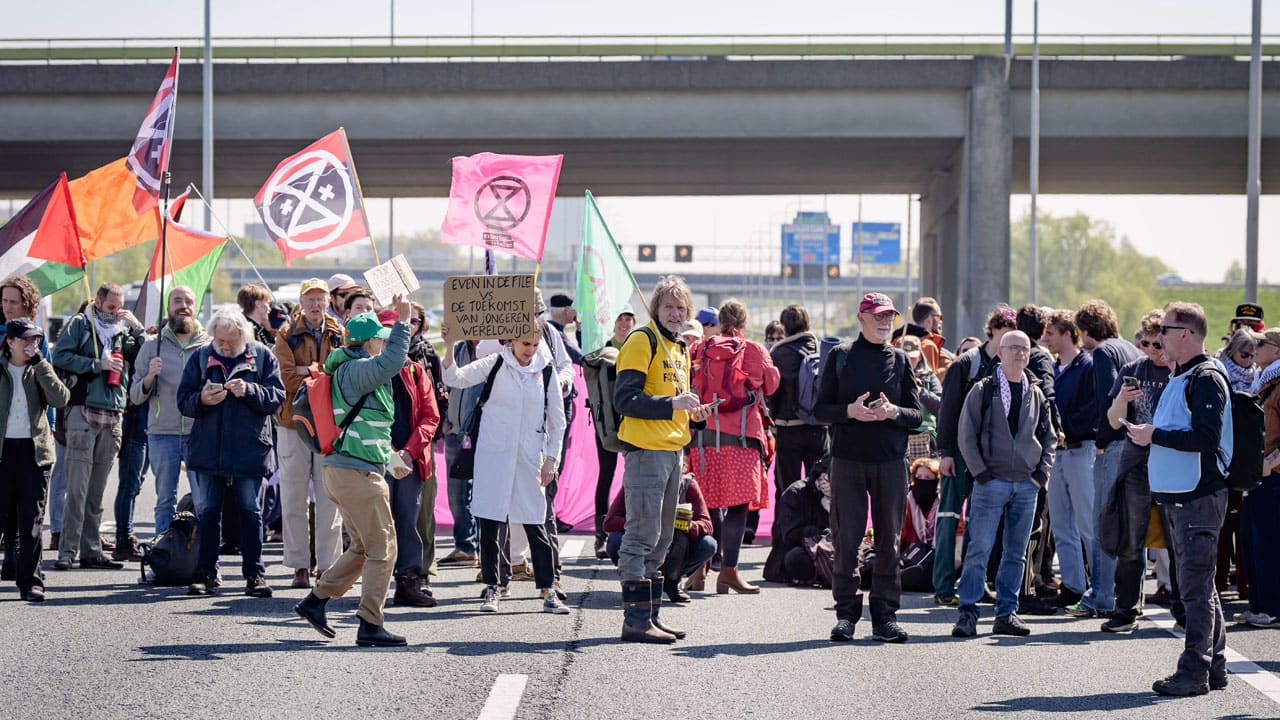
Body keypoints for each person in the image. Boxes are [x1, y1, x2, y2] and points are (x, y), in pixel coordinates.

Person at [294, 301, 415, 647]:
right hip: (356, 474)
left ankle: (315, 602)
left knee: (364, 547)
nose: (383, 343)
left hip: (347, 470)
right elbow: (393, 361)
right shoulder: (356, 369)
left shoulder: (350, 369)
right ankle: (369, 623)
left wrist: (390, 459)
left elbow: (366, 427)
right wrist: (404, 321)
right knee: (384, 549)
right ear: (369, 343)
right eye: (380, 339)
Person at [1126, 302, 1231, 697]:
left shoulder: (1204, 377)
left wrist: (1155, 435)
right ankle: (1213, 667)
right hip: (1183, 495)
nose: (1158, 336)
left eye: (1165, 329)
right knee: (1200, 586)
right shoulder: (1184, 376)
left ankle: (1194, 672)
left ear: (1185, 334)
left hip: (1198, 495)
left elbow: (1205, 437)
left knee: (1195, 590)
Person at [441, 319, 568, 616]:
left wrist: (551, 459)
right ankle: (493, 587)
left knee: (536, 523)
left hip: (529, 459)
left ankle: (548, 589)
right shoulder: (495, 363)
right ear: (511, 340)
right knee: (491, 523)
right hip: (493, 456)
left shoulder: (546, 370)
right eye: (525, 344)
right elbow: (455, 378)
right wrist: (448, 345)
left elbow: (557, 421)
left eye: (535, 345)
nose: (530, 350)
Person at [816, 292, 922, 643]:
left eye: (889, 316)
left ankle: (885, 615)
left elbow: (918, 416)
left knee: (890, 541)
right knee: (847, 539)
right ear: (861, 318)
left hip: (890, 461)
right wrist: (850, 411)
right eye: (877, 316)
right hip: (847, 459)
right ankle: (846, 612)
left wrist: (893, 413)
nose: (884, 322)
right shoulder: (841, 356)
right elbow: (819, 410)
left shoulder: (902, 360)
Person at [613, 275, 713, 643]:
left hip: (673, 451)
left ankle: (649, 616)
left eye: (681, 308)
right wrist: (672, 404)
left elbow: (677, 402)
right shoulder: (643, 340)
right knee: (641, 534)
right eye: (669, 307)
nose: (675, 313)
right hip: (646, 452)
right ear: (656, 309)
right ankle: (635, 622)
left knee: (663, 538)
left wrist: (692, 413)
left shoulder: (679, 348)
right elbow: (624, 399)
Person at [951, 331, 1056, 638]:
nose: (1021, 354)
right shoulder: (983, 390)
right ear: (1000, 351)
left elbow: (1049, 436)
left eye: (1026, 349)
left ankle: (1006, 613)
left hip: (1026, 484)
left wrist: (1041, 475)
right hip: (990, 481)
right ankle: (968, 612)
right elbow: (965, 434)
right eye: (1014, 348)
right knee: (979, 549)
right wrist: (980, 473)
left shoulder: (1034, 392)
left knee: (1016, 553)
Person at [176, 307, 283, 598]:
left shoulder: (261, 356)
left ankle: (254, 574)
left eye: (230, 342)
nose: (223, 346)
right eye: (219, 340)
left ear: (243, 337)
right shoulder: (200, 356)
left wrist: (250, 391)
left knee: (251, 511)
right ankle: (206, 573)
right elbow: (183, 400)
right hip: (209, 448)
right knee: (209, 512)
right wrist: (201, 399)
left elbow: (277, 398)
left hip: (250, 448)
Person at [50, 282, 146, 571]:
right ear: (98, 302)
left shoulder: (122, 331)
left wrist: (137, 329)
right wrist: (96, 365)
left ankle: (91, 550)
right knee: (77, 489)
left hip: (114, 414)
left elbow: (143, 356)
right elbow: (60, 357)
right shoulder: (81, 324)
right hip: (83, 411)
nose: (116, 313)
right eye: (111, 307)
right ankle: (67, 551)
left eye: (120, 307)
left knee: (96, 491)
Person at [688, 299, 779, 595]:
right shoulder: (752, 350)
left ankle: (700, 571)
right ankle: (729, 572)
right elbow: (772, 385)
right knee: (739, 507)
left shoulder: (699, 349)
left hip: (702, 440)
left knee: (707, 505)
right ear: (743, 323)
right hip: (741, 440)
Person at [932, 306, 1017, 606]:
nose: (1009, 341)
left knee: (981, 522)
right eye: (1004, 331)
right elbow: (947, 411)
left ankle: (973, 584)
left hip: (990, 456)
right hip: (959, 451)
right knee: (949, 517)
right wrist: (945, 453)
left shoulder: (1010, 367)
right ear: (992, 330)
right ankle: (943, 586)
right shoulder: (967, 363)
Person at [1100, 310, 1173, 633]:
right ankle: (1126, 608)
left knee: (1176, 537)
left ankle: (1184, 607)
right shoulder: (1133, 370)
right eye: (1144, 342)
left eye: (1157, 343)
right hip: (1136, 461)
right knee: (1131, 538)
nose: (1150, 349)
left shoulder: (1182, 372)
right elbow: (1114, 421)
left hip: (1174, 462)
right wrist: (1121, 399)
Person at [1072, 299, 1142, 618]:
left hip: (1114, 444)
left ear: (1086, 329)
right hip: (1138, 444)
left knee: (1105, 520)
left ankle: (1100, 594)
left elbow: (1106, 398)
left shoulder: (1102, 352)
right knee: (1130, 524)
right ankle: (1129, 597)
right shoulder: (1130, 348)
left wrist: (1101, 440)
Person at [273, 278, 345, 589]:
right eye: (310, 299)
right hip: (293, 422)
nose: (315, 305)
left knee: (331, 497)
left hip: (329, 423)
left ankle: (327, 566)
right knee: (293, 496)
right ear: (301, 303)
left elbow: (344, 375)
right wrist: (320, 372)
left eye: (320, 299)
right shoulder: (286, 334)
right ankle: (299, 565)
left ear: (329, 301)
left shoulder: (340, 332)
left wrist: (309, 370)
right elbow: (286, 378)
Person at [369, 309, 441, 607]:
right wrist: (388, 452)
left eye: (394, 335)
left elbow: (430, 416)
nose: (390, 342)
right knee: (377, 524)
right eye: (384, 336)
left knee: (408, 520)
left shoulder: (415, 370)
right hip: (375, 457)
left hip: (409, 461)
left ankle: (408, 581)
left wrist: (407, 453)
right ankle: (374, 587)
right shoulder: (368, 370)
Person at [128, 286, 209, 539]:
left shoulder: (208, 346)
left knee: (204, 502)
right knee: (165, 501)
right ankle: (163, 555)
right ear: (168, 308)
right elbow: (135, 395)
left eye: (188, 301)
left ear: (196, 307)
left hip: (199, 433)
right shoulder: (153, 346)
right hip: (162, 434)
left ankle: (205, 562)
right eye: (177, 301)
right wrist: (150, 376)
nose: (183, 305)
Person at [0, 318, 70, 602]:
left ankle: (31, 583)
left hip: (34, 452)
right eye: (27, 340)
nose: (33, 345)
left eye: (37, 340)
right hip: (3, 452)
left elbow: (61, 399)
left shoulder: (39, 367)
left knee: (31, 521)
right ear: (11, 342)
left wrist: (42, 363)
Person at [1040, 309, 1096, 609]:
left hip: (1080, 449)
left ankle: (1099, 588)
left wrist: (1063, 428)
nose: (1045, 338)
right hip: (1057, 455)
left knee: (1088, 524)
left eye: (1050, 333)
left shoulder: (1087, 366)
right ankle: (1073, 587)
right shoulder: (1051, 368)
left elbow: (1091, 409)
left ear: (1067, 333)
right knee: (1062, 525)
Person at [603, 473, 716, 603]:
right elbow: (609, 522)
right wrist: (642, 522)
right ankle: (633, 580)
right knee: (615, 540)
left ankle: (672, 580)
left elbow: (707, 524)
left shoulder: (687, 485)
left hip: (676, 548)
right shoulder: (637, 482)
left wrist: (685, 524)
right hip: (641, 542)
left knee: (708, 545)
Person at [582, 306, 637, 559]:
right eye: (621, 318)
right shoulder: (603, 348)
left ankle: (630, 531)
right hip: (608, 424)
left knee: (636, 477)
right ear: (613, 323)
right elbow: (587, 365)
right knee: (606, 475)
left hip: (636, 422)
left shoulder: (640, 345)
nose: (625, 323)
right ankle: (601, 537)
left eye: (629, 318)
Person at [768, 304, 829, 503]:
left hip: (788, 428)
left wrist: (772, 423)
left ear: (784, 327)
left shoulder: (778, 354)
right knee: (820, 485)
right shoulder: (822, 349)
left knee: (787, 487)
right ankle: (820, 531)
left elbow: (773, 393)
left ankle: (787, 532)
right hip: (818, 428)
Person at [1240, 327, 1280, 628]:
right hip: (1258, 475)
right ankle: (1259, 604)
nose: (1256, 347)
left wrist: (1270, 463)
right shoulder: (1263, 381)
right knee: (1253, 544)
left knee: (1268, 543)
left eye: (1262, 343)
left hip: (1273, 475)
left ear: (1277, 351)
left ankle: (1271, 608)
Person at [406, 302, 447, 582]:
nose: (410, 325)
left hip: (424, 438)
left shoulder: (427, 353)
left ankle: (426, 562)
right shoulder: (384, 352)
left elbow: (440, 395)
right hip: (395, 439)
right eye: (404, 319)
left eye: (415, 320)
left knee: (426, 501)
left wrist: (438, 433)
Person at [438, 333, 481, 568]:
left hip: (483, 435)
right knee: (457, 497)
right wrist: (446, 419)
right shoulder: (458, 349)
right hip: (455, 433)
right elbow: (449, 383)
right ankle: (465, 547)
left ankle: (488, 553)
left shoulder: (498, 350)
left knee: (484, 497)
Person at [762, 456, 831, 586]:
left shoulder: (843, 495)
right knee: (797, 558)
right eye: (825, 479)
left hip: (833, 551)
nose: (828, 485)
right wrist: (818, 532)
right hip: (802, 550)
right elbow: (789, 536)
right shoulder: (796, 493)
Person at [901, 458, 940, 546]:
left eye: (927, 477)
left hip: (940, 551)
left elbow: (959, 530)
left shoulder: (945, 503)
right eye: (919, 477)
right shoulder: (907, 502)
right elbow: (900, 531)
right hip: (912, 551)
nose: (922, 480)